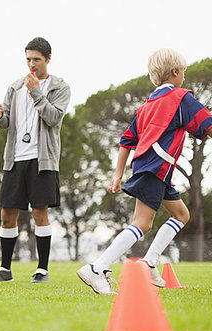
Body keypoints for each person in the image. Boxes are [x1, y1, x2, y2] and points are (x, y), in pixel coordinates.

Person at [77, 48, 212, 295]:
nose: (184, 76)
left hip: (153, 169)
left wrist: (118, 174)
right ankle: (98, 268)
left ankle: (149, 262)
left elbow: (127, 140)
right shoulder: (182, 98)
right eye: (183, 72)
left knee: (181, 214)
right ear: (175, 72)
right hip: (154, 168)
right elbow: (208, 125)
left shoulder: (145, 107)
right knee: (142, 224)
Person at [0, 37, 71, 283]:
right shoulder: (14, 87)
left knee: (39, 213)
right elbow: (5, 123)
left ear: (48, 59)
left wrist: (36, 91)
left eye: (36, 59)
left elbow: (54, 118)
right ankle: (5, 270)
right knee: (7, 214)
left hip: (42, 159)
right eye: (28, 59)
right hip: (15, 159)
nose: (31, 64)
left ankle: (42, 269)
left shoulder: (60, 87)